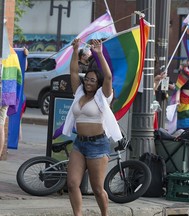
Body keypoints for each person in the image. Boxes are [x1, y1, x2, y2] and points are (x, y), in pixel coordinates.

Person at [62, 38, 122, 216]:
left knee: (97, 189)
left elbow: (109, 77)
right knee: (72, 183)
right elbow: (73, 72)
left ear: (98, 83)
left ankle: (105, 214)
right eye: (87, 79)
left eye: (92, 81)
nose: (88, 82)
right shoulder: (79, 92)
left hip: (98, 145)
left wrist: (99, 54)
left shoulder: (103, 96)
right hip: (79, 144)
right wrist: (75, 51)